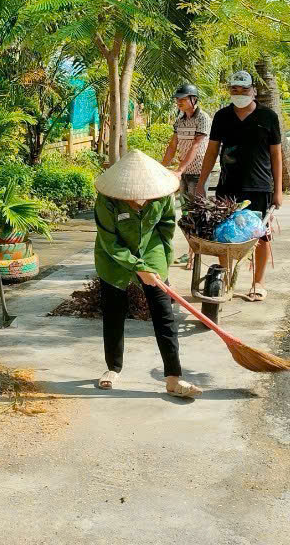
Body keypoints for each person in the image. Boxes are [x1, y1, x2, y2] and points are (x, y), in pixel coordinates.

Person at [93, 150, 202, 400]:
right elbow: (109, 241)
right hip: (114, 258)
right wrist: (137, 267)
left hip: (152, 251)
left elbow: (166, 226)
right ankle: (113, 368)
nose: (140, 197)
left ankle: (173, 378)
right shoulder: (107, 200)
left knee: (164, 314)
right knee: (113, 312)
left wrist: (160, 263)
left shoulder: (162, 196)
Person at [197, 71, 284, 303]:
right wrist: (201, 183)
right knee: (224, 234)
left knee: (261, 236)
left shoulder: (268, 117)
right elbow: (212, 151)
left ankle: (258, 282)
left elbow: (276, 155)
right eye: (234, 89)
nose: (239, 93)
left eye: (244, 89)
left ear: (253, 90)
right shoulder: (222, 116)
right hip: (228, 187)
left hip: (259, 186)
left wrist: (278, 190)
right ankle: (224, 280)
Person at [162, 83, 211, 199]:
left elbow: (196, 145)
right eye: (177, 99)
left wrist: (179, 170)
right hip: (183, 172)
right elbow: (173, 145)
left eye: (183, 99)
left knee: (197, 206)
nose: (179, 102)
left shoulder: (202, 118)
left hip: (199, 172)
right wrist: (162, 167)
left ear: (194, 99)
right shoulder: (179, 120)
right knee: (184, 206)